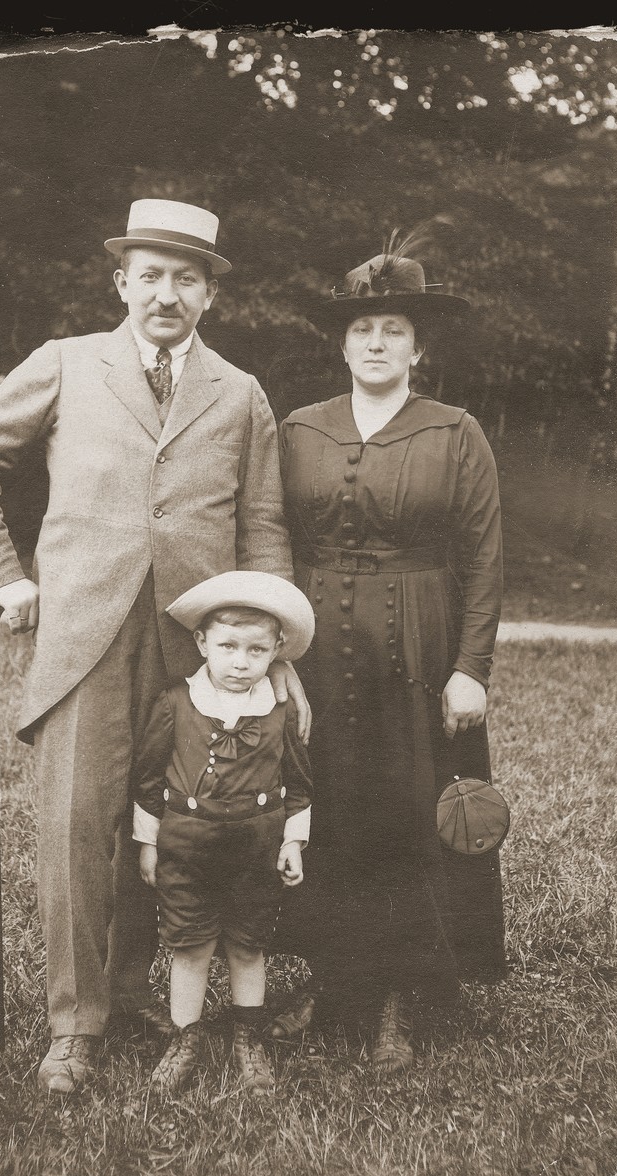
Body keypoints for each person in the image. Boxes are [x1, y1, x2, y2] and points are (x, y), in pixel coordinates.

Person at [0, 198, 311, 1096]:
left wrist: (271, 643)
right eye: (150, 275)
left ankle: (139, 992)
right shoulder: (66, 365)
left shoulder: (240, 392)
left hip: (198, 649)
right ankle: (75, 1023)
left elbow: (260, 524)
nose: (166, 294)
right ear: (121, 283)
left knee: (176, 824)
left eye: (187, 278)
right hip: (83, 637)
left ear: (210, 294)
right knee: (77, 827)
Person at [268, 233, 506, 1073]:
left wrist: (470, 667)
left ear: (419, 347)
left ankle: (403, 999)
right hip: (321, 647)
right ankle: (337, 982)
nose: (376, 342)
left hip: (421, 646)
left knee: (411, 811)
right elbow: (273, 536)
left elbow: (482, 560)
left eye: (394, 328)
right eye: (363, 327)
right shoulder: (300, 427)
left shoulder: (456, 431)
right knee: (325, 807)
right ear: (343, 340)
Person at [132, 571, 315, 1096]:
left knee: (248, 944)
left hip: (256, 850)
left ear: (277, 651)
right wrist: (149, 845)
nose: (240, 662)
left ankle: (248, 1040)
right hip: (186, 849)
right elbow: (147, 781)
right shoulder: (176, 702)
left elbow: (299, 786)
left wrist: (292, 842)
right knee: (190, 946)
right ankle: (184, 1040)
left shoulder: (278, 711)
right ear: (201, 643)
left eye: (257, 650)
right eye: (228, 646)